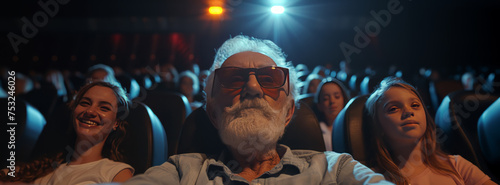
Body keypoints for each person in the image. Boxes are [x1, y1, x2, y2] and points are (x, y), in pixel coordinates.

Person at [124, 35, 391, 184]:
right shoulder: (182, 172)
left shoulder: (333, 169)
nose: (252, 88)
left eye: (269, 79)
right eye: (233, 79)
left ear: (288, 113)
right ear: (213, 114)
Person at [364, 76, 495, 185]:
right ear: (378, 126)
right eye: (393, 109)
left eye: (415, 105)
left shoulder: (456, 165)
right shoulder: (374, 179)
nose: (408, 112)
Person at [1, 81, 134, 184]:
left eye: (104, 108)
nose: (90, 111)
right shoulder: (46, 170)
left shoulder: (117, 172)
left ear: (116, 123)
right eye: (85, 103)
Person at [314, 77, 350, 151]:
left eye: (337, 97)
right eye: (326, 99)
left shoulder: (353, 128)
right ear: (319, 105)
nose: (332, 101)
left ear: (344, 100)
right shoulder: (316, 132)